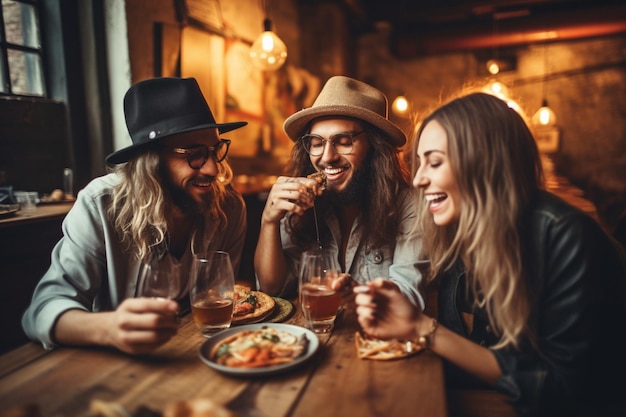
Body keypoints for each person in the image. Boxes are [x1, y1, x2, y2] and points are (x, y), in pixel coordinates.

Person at [354, 92, 626, 416]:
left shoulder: (566, 236)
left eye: (435, 162)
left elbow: (565, 391)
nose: (418, 179)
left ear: (484, 162)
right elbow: (483, 356)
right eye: (419, 163)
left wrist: (421, 328)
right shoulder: (460, 233)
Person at [22, 77, 248, 355]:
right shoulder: (100, 205)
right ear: (151, 161)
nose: (213, 169)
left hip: (200, 353)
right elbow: (41, 311)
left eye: (215, 150)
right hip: (114, 364)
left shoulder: (230, 208)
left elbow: (222, 300)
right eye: (194, 154)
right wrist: (110, 328)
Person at [254, 75, 425, 308]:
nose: (327, 157)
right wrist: (269, 221)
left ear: (375, 146)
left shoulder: (408, 204)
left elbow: (409, 294)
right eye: (316, 143)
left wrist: (358, 294)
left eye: (344, 141)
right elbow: (273, 289)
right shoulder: (298, 202)